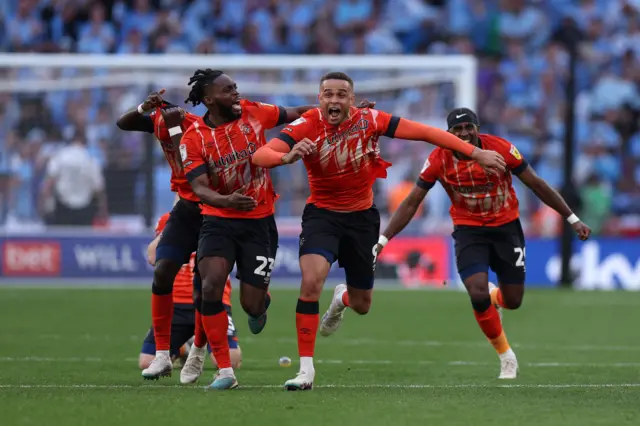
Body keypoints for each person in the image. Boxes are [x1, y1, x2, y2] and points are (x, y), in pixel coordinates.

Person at [251, 72, 507, 391]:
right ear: (319, 99)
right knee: (311, 280)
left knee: (362, 304)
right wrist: (285, 157)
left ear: (352, 100)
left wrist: (475, 152)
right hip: (322, 216)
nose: (334, 100)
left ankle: (342, 298)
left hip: (362, 220)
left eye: (341, 94)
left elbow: (426, 132)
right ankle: (306, 370)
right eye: (327, 94)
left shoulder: (371, 120)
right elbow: (260, 155)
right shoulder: (306, 124)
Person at [179, 69, 375, 390]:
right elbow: (199, 188)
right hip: (218, 219)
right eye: (228, 90)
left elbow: (299, 114)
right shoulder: (193, 138)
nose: (236, 94)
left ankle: (257, 305)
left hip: (259, 222)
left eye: (236, 87)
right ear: (209, 99)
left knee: (251, 305)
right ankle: (223, 370)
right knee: (211, 283)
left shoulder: (255, 112)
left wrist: (347, 113)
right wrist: (226, 200)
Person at [377, 108, 592, 379]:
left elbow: (536, 184)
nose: (464, 133)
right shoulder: (438, 159)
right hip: (469, 231)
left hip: (506, 228)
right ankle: (506, 356)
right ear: (449, 133)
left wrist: (572, 219)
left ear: (477, 128)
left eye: (469, 127)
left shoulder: (501, 149)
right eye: (458, 129)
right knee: (476, 293)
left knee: (512, 301)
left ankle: (496, 298)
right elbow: (412, 202)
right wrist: (384, 238)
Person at [117, 92, 206, 380]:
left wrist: (177, 128)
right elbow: (124, 122)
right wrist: (145, 106)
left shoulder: (197, 129)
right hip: (184, 207)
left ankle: (199, 350)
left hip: (211, 207)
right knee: (163, 269)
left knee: (206, 286)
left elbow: (189, 168)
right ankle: (163, 356)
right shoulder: (158, 120)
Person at [140, 212, 241, 384]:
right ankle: (181, 349)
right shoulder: (172, 218)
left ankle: (199, 345)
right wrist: (170, 227)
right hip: (176, 304)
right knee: (146, 362)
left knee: (231, 360)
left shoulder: (223, 215)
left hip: (213, 299)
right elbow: (152, 256)